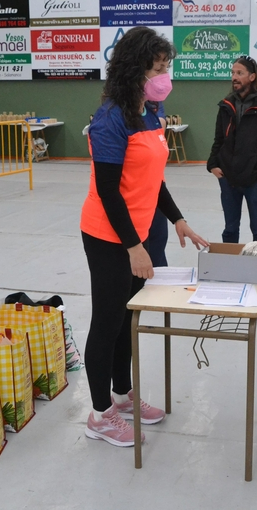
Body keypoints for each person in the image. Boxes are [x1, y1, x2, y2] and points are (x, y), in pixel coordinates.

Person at [81, 27, 208, 448]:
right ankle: (99, 414)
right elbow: (107, 190)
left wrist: (178, 219)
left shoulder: (151, 111)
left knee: (128, 318)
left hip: (138, 232)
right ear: (134, 70)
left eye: (166, 67)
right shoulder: (111, 119)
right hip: (108, 234)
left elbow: (153, 180)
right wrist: (133, 246)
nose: (163, 75)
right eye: (156, 68)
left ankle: (122, 394)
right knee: (107, 320)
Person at [207, 55, 257, 244]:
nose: (234, 77)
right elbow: (219, 139)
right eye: (233, 73)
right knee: (230, 230)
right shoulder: (225, 106)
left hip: (255, 181)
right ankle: (230, 271)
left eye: (240, 73)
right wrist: (212, 164)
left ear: (252, 77)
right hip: (228, 179)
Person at [147, 101, 170, 267]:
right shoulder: (111, 120)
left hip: (155, 191)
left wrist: (178, 219)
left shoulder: (153, 104)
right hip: (132, 202)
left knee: (158, 247)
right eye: (157, 72)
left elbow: (160, 127)